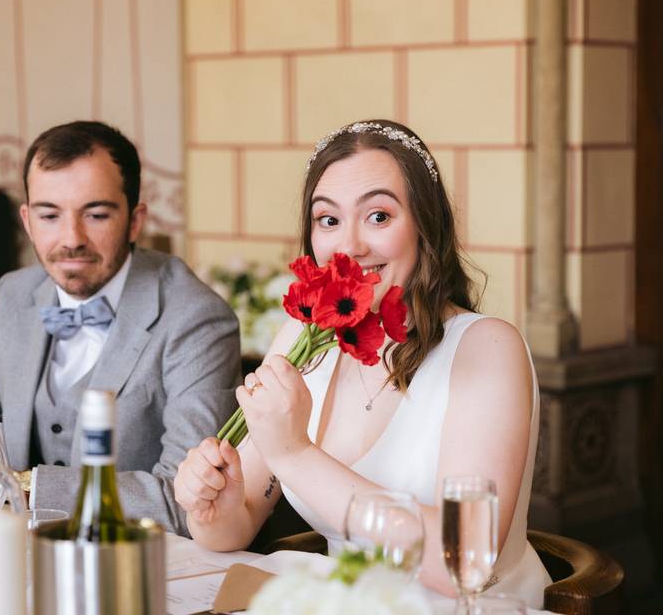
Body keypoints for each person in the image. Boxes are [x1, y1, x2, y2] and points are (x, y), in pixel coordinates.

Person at [173, 119, 550, 607]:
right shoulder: (303, 340)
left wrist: (295, 455)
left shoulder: (486, 348)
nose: (349, 246)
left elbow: (464, 560)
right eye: (328, 220)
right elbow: (238, 523)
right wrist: (212, 506)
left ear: (425, 225)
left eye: (378, 216)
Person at [0, 121, 240, 535]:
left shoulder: (195, 318)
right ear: (28, 220)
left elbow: (189, 502)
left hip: (136, 567)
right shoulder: (15, 296)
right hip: (16, 555)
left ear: (136, 220)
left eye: (97, 214)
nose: (72, 238)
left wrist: (21, 489)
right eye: (49, 215)